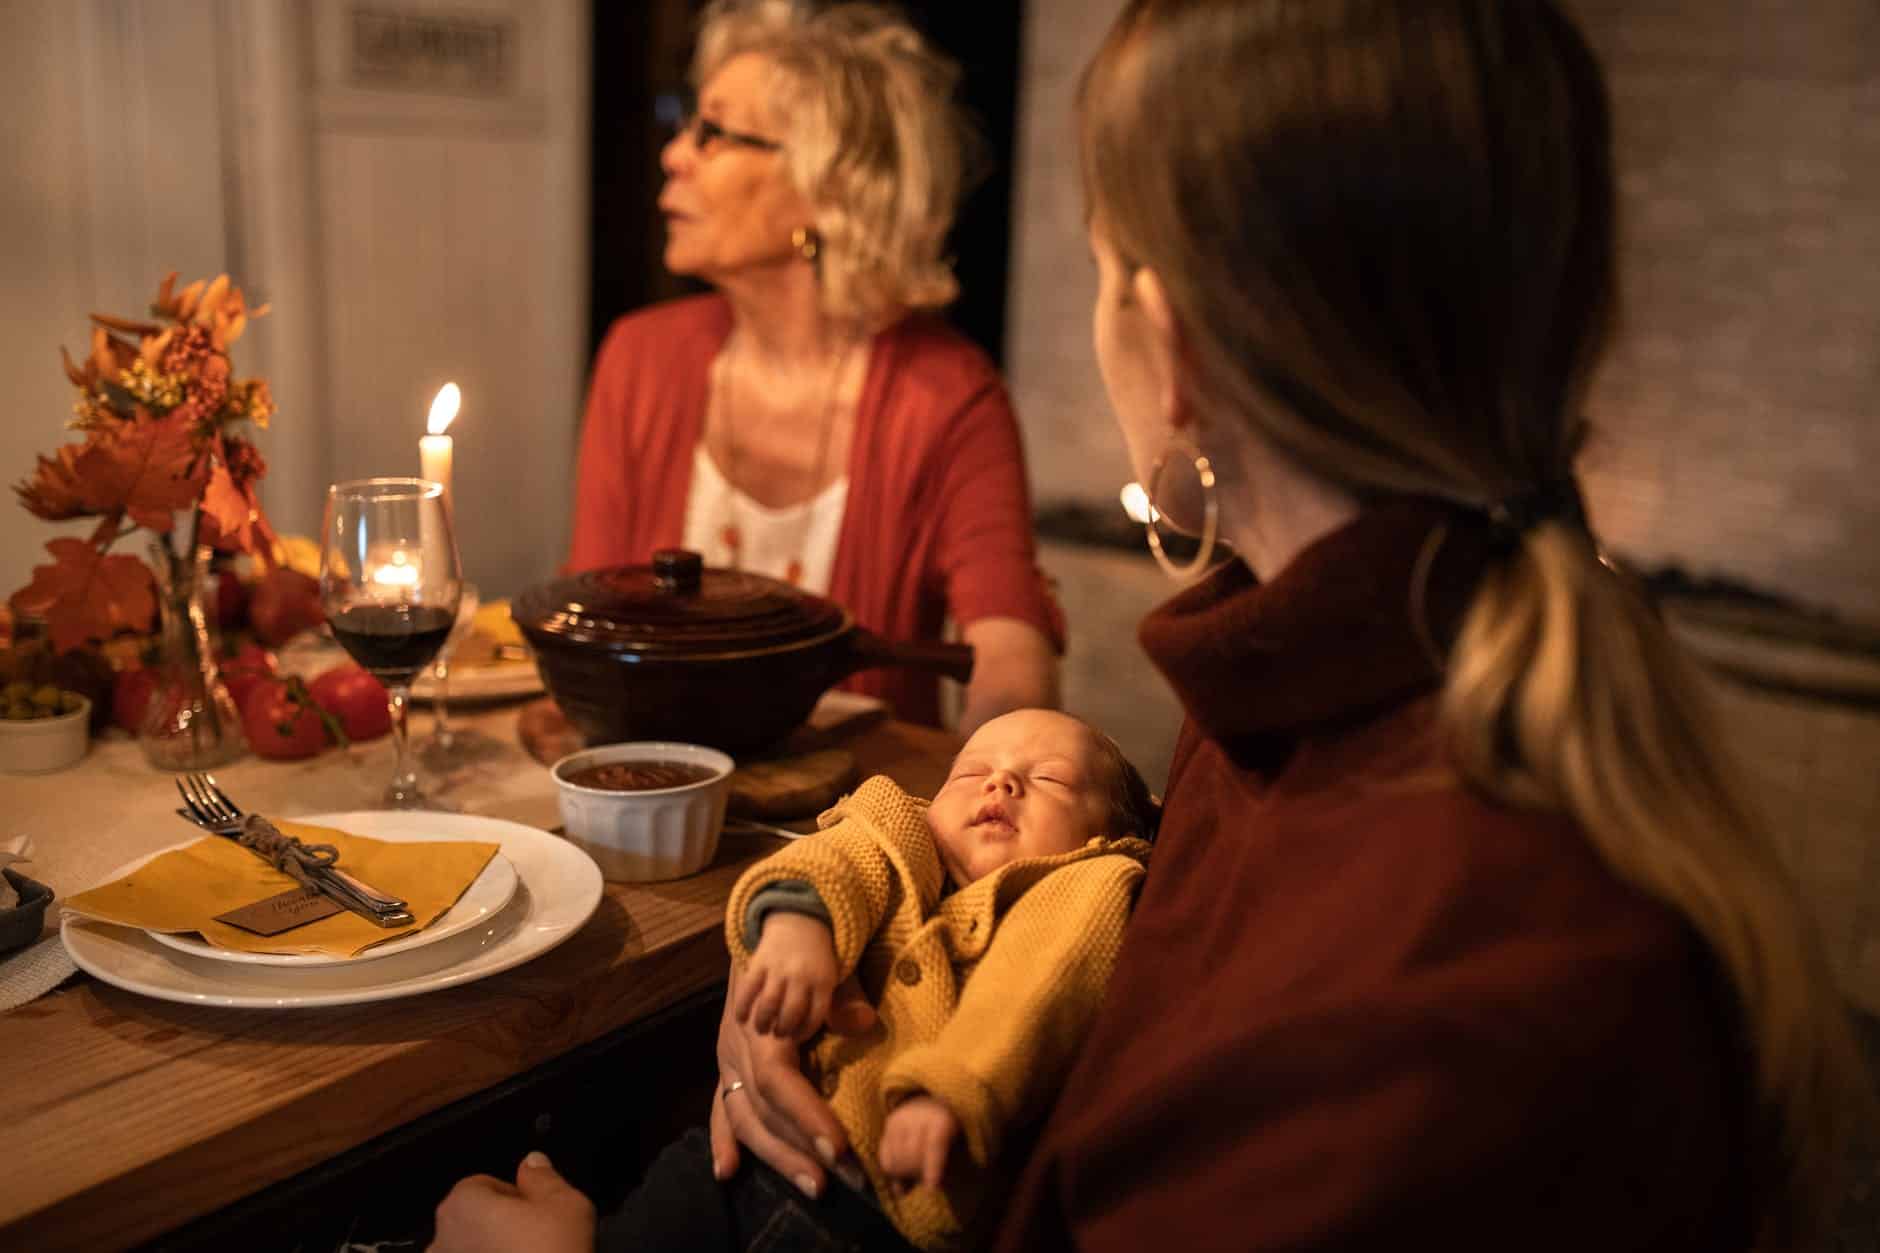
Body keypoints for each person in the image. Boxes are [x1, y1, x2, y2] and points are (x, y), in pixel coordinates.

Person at [706, 2, 1873, 1251]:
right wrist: (820, 935)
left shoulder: (1447, 975)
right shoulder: (1295, 705)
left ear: (1167, 343)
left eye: (1101, 266)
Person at [429, 709, 1157, 1253]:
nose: (1000, 782)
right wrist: (795, 930)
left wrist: (951, 1090)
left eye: (1050, 779)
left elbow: (1035, 992)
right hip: (727, 1156)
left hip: (860, 1211)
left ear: (1116, 831)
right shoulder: (902, 827)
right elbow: (827, 862)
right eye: (971, 771)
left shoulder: (1088, 885)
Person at [566, 0, 1062, 734]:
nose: (674, 155)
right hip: (654, 785)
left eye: (713, 134)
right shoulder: (640, 358)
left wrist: (990, 763)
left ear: (826, 186)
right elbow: (585, 622)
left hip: (860, 801)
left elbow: (1012, 659)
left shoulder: (946, 396)